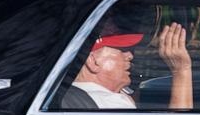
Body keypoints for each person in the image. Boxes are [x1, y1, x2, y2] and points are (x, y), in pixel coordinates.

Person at [61, 22, 192, 110]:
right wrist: (181, 71)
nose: (129, 55)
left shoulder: (77, 93)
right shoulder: (107, 102)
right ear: (93, 61)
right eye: (121, 50)